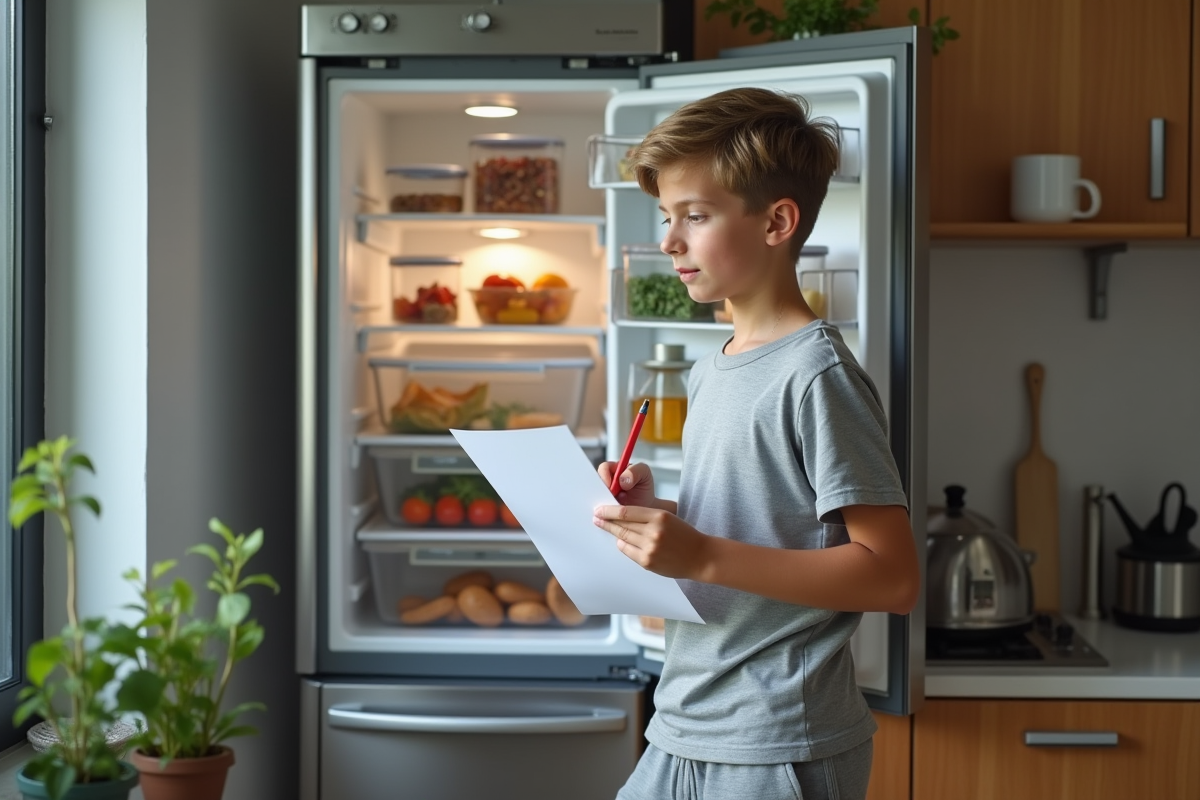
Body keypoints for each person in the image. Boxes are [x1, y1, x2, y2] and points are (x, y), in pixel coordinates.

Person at [592, 87, 921, 800]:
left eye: (696, 216)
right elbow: (770, 522)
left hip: (777, 739)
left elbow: (890, 577)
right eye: (666, 218)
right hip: (686, 718)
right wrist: (663, 517)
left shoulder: (817, 375)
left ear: (777, 221)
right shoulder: (715, 364)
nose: (670, 242)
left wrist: (701, 553)